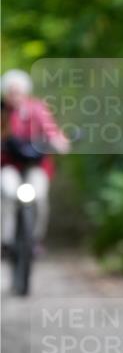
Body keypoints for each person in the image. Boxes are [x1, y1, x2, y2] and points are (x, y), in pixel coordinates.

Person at [1, 69, 70, 250]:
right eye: (11, 92)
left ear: (25, 92)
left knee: (39, 197)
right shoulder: (2, 113)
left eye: (18, 92)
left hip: (35, 166)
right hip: (9, 165)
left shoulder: (37, 109)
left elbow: (51, 130)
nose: (15, 96)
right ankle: (6, 241)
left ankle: (35, 240)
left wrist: (59, 142)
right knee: (8, 193)